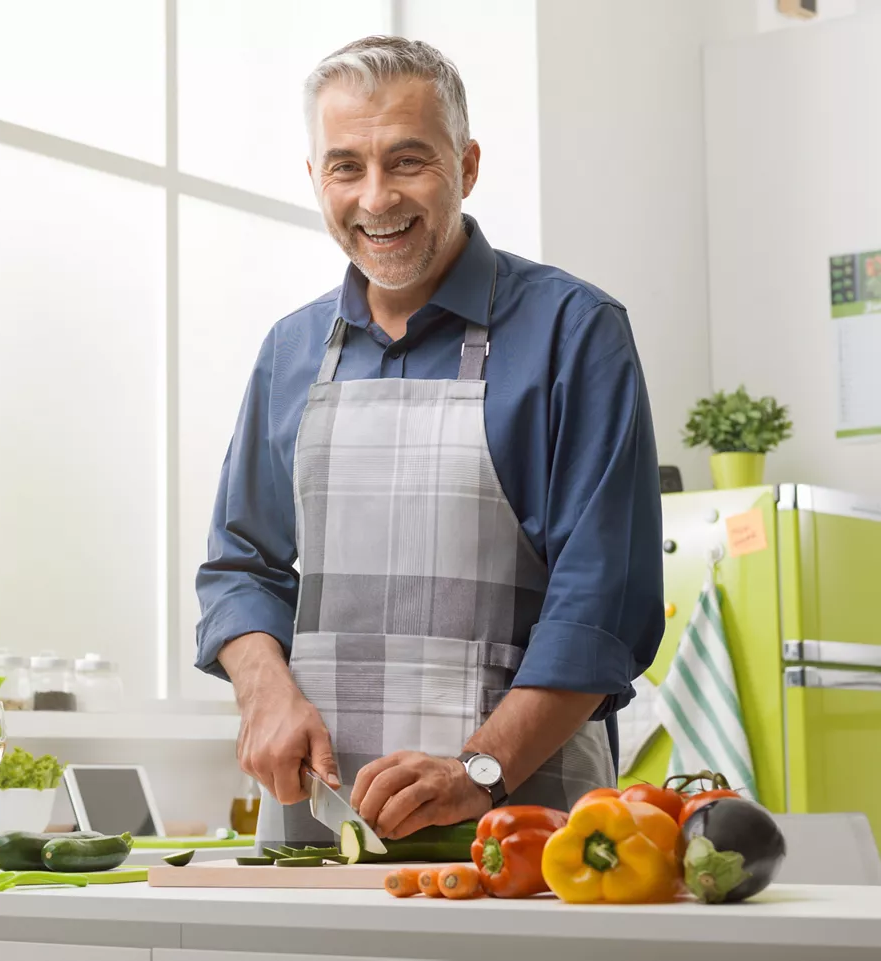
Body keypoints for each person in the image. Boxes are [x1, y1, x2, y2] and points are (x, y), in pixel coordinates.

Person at [194, 35, 665, 849]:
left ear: (467, 164)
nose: (376, 198)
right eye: (346, 166)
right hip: (317, 827)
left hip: (528, 830)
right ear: (315, 179)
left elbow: (602, 606)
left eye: (407, 161)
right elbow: (241, 565)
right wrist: (265, 691)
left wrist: (476, 770)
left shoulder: (575, 332)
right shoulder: (290, 350)